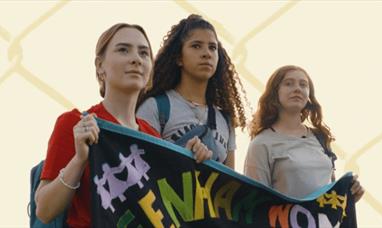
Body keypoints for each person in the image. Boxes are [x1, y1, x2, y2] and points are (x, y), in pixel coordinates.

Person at [34, 23, 209, 227]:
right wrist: (80, 160)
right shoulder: (75, 123)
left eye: (144, 53)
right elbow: (44, 210)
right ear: (100, 66)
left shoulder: (151, 136)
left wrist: (186, 162)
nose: (136, 59)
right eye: (123, 50)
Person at [137, 14, 247, 169]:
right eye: (196, 46)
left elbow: (229, 185)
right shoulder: (155, 107)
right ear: (178, 58)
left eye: (212, 48)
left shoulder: (226, 120)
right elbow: (140, 169)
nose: (206, 53)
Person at [244, 65, 364, 202]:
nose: (297, 89)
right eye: (288, 84)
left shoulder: (320, 138)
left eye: (303, 85)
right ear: (275, 92)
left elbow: (329, 195)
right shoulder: (261, 143)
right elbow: (254, 203)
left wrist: (350, 196)